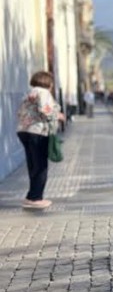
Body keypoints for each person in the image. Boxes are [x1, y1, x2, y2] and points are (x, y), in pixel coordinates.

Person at [16, 71, 63, 210]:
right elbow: (45, 109)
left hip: (23, 131)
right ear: (47, 82)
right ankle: (36, 198)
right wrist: (58, 115)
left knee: (33, 164)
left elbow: (20, 112)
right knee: (41, 166)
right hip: (38, 131)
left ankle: (31, 196)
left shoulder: (29, 93)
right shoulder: (43, 93)